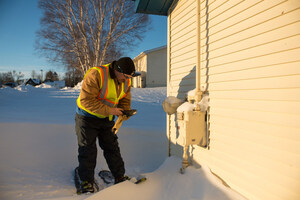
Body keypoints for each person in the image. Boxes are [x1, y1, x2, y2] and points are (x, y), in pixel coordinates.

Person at [75, 57, 140, 194]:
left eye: (130, 77)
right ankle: (86, 181)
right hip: (86, 117)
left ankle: (119, 176)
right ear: (117, 70)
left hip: (106, 118)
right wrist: (111, 110)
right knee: (88, 149)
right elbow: (86, 100)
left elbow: (124, 99)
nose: (127, 79)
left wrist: (124, 112)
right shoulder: (96, 74)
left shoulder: (125, 80)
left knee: (112, 148)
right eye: (126, 76)